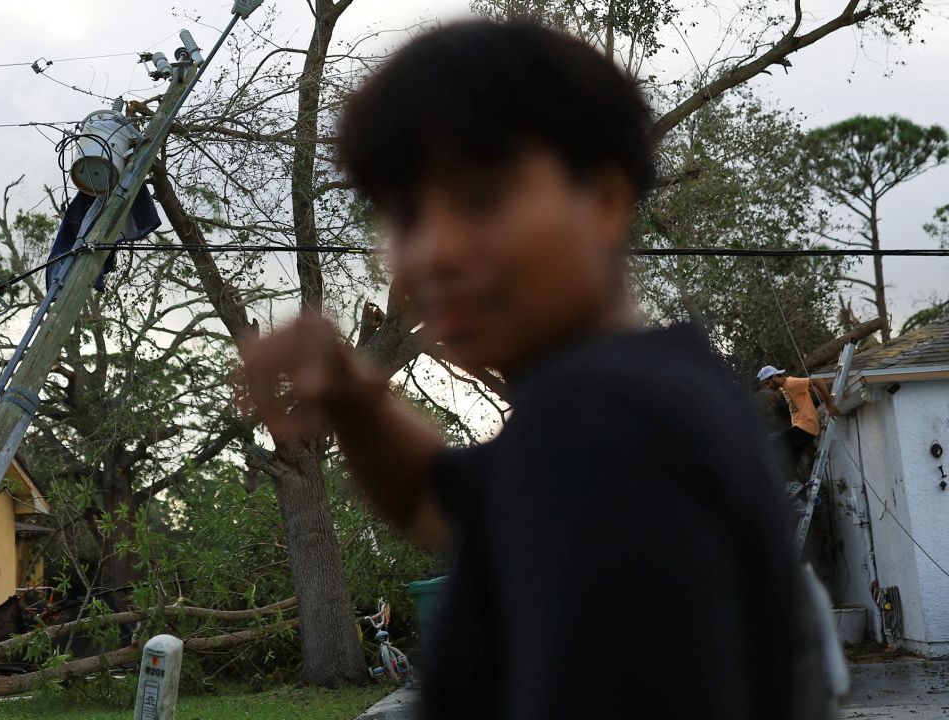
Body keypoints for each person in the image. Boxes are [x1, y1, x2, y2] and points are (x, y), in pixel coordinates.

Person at [238, 20, 829, 719]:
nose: (433, 252)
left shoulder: (612, 436)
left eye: (480, 196)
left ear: (605, 200)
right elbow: (434, 501)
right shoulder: (634, 405)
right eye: (404, 214)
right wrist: (355, 401)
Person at [758, 366, 841, 468]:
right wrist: (825, 401)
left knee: (773, 444)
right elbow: (811, 388)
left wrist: (829, 406)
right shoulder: (784, 387)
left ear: (774, 377)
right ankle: (792, 482)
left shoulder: (791, 383)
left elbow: (818, 381)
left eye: (767, 383)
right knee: (789, 461)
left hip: (805, 426)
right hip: (805, 429)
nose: (767, 387)